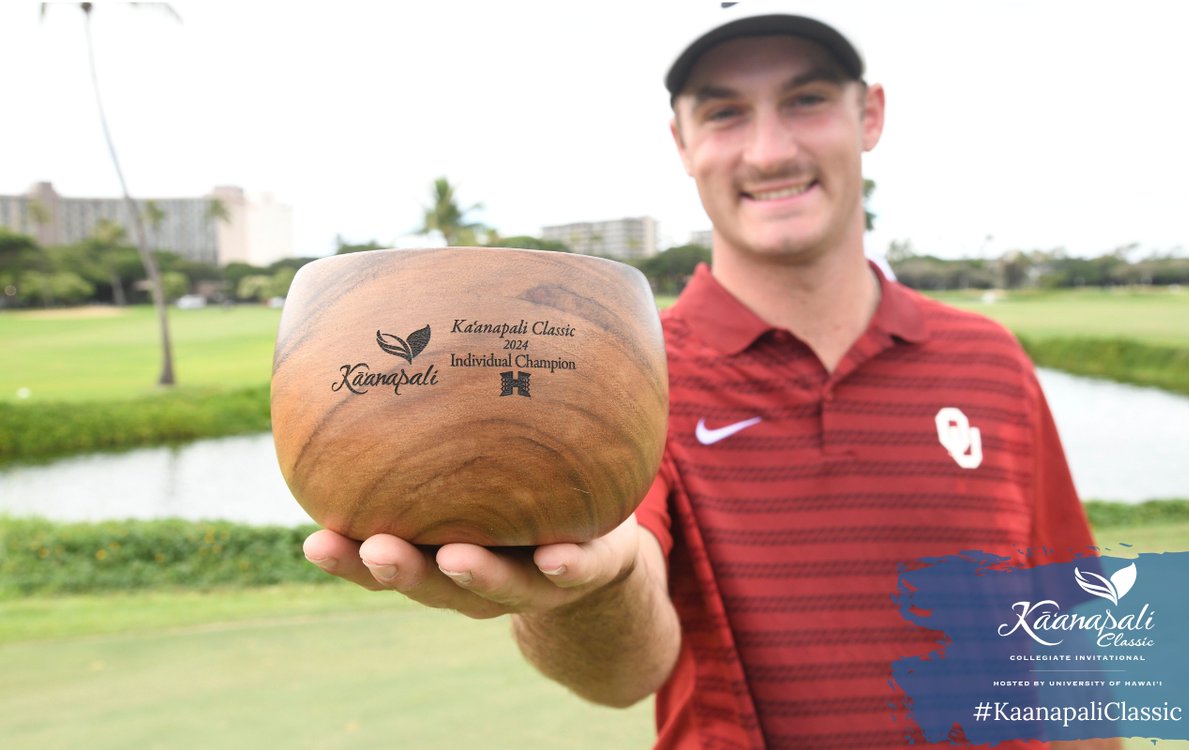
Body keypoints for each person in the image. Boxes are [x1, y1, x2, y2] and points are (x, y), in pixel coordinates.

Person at [302, 4, 1103, 748]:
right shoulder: (626, 368)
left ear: (871, 115)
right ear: (682, 143)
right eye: (724, 112)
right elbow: (626, 669)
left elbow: (1071, 629)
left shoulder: (989, 359)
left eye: (807, 100)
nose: (769, 150)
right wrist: (591, 588)